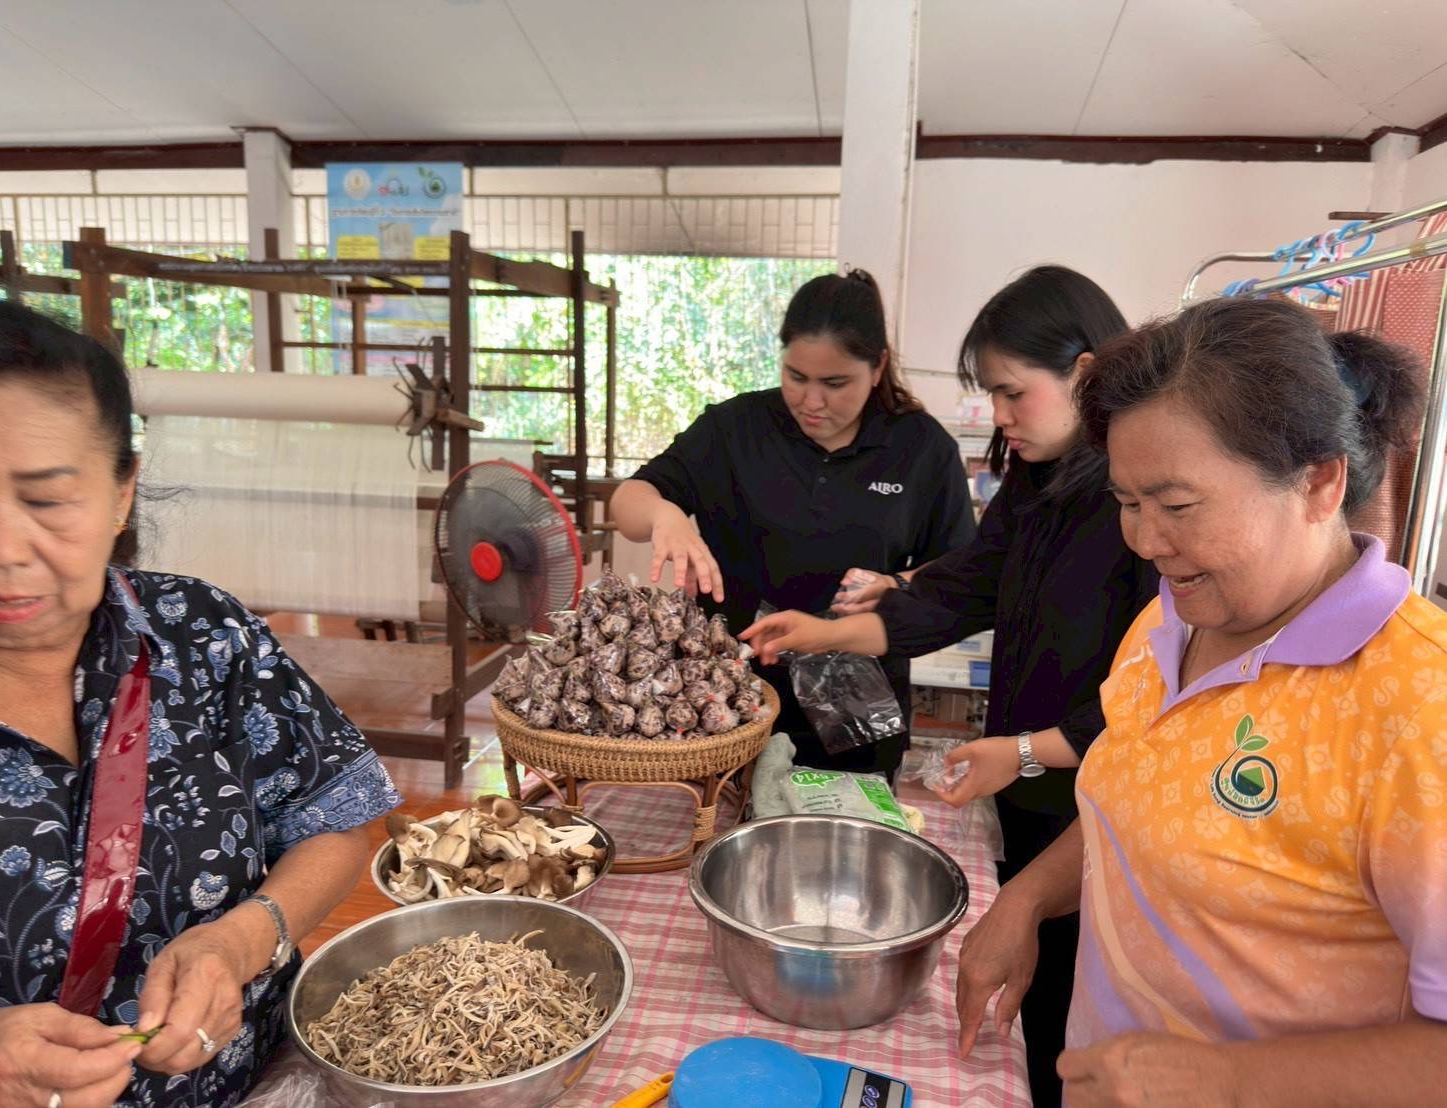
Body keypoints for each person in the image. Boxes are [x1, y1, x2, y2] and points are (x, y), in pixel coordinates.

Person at [956, 296, 1447, 1107]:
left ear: (1318, 482)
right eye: (1125, 503)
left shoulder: (1416, 710)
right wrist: (1028, 898)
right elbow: (1142, 798)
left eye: (1177, 506)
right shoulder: (1168, 619)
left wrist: (1227, 1080)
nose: (1145, 541)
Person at [741, 265, 1157, 1105]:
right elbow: (960, 587)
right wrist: (826, 632)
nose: (997, 416)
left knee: (1079, 1006)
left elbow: (1142, 699)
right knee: (1034, 992)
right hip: (1033, 782)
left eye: (1011, 393)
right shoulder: (1038, 484)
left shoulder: (1137, 506)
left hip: (1098, 798)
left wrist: (1030, 753)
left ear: (1084, 372)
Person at [0, 299, 401, 1108]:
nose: (0, 548)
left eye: (48, 499)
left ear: (122, 493)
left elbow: (340, 822)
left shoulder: (199, 636)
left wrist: (241, 939)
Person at [610, 269, 976, 779]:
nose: (811, 401)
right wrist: (663, 514)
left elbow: (957, 575)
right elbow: (628, 502)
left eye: (835, 383)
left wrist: (893, 586)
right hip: (724, 702)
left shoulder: (921, 450)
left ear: (878, 368)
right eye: (796, 377)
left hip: (856, 715)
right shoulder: (735, 429)